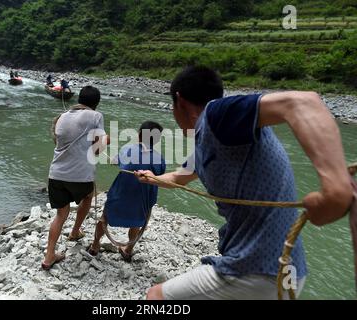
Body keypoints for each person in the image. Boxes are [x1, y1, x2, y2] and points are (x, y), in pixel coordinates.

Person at [135, 66, 353, 300]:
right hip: (288, 272)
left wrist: (336, 188)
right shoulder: (208, 141)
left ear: (179, 100)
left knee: (156, 296)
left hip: (255, 268)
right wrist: (152, 177)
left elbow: (303, 103)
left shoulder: (216, 115)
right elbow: (179, 177)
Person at [42, 86, 109, 270]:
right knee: (87, 198)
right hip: (80, 175)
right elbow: (99, 148)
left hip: (56, 174)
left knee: (60, 214)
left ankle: (49, 256)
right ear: (96, 103)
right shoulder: (96, 116)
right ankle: (74, 231)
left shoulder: (62, 116)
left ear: (79, 99)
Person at [87, 121, 166, 262]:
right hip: (143, 199)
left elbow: (118, 161)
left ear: (140, 135)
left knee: (104, 218)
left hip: (120, 195)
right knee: (136, 223)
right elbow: (160, 174)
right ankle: (128, 249)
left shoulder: (128, 150)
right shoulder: (160, 159)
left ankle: (95, 245)